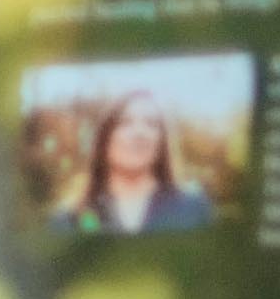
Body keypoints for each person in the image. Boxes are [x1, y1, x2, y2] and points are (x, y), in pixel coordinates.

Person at [54, 86, 215, 233]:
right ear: (105, 138)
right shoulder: (69, 218)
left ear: (162, 142)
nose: (139, 133)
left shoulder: (194, 209)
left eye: (151, 124)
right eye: (125, 123)